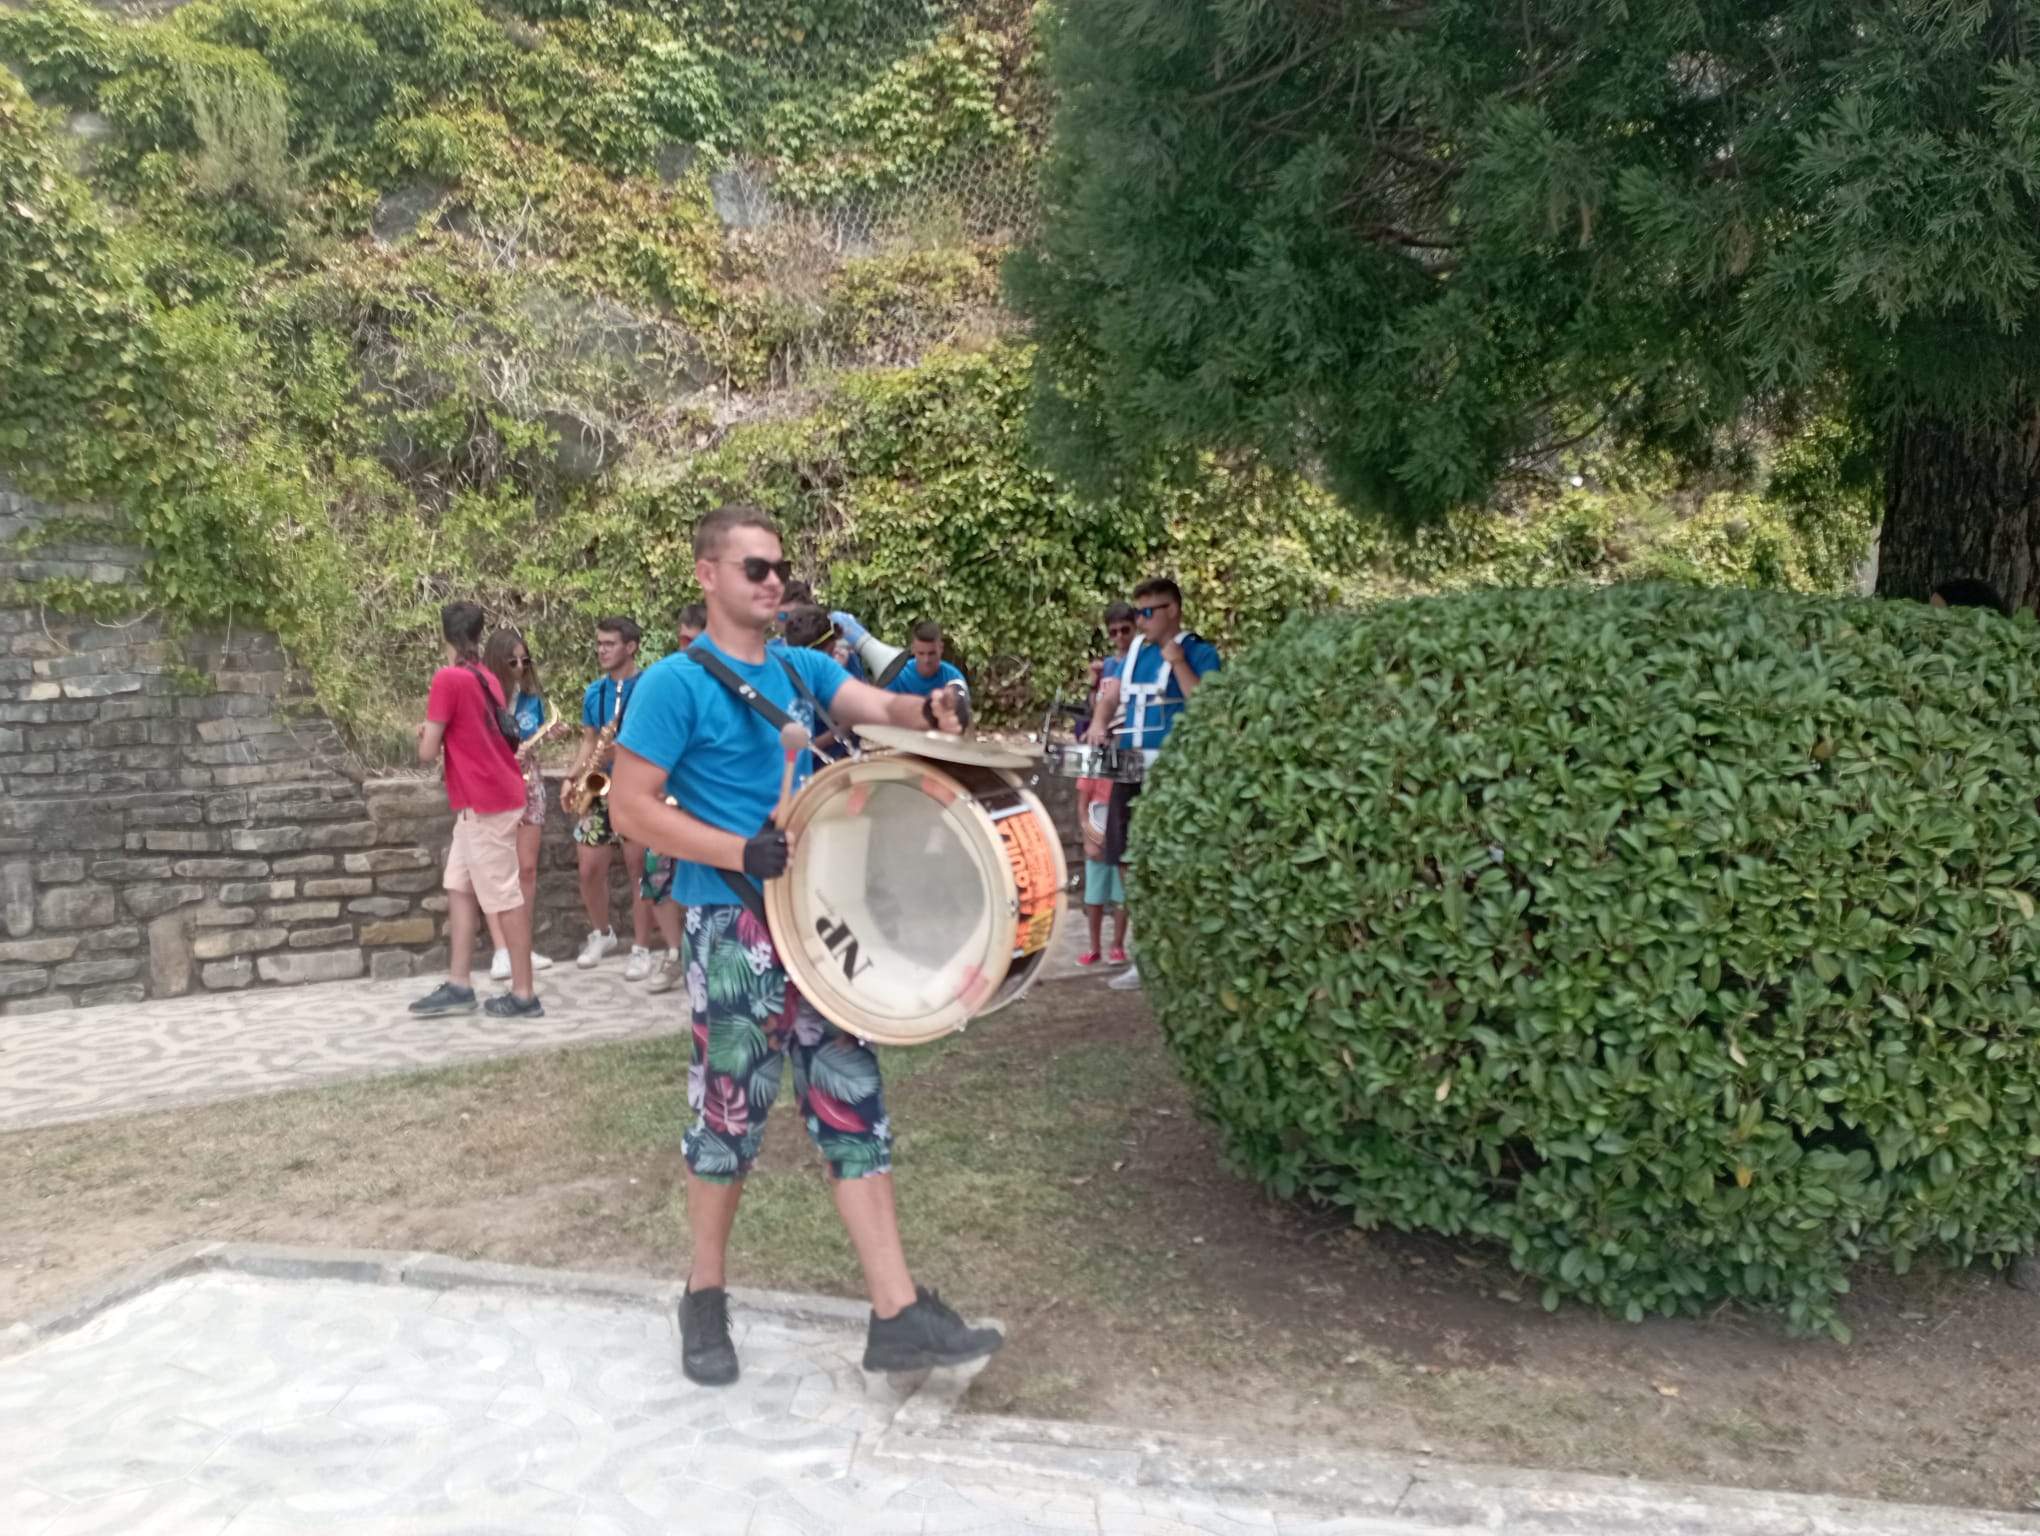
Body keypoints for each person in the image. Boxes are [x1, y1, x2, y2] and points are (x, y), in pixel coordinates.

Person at [608, 501, 999, 1388]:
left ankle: (896, 1314)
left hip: (822, 927)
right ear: (708, 574)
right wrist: (735, 851)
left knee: (852, 1102)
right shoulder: (672, 685)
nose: (773, 580)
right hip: (734, 926)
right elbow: (630, 808)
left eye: (780, 567)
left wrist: (931, 707)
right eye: (756, 567)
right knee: (729, 1117)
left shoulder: (801, 667)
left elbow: (882, 705)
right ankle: (704, 1297)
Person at [1087, 578, 1222, 991]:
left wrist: (1179, 663)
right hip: (1130, 768)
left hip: (1174, 771)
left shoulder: (1200, 652)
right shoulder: (1133, 655)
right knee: (1127, 860)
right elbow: (1111, 697)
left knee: (1173, 863)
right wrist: (1098, 723)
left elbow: (1209, 706)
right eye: (1138, 612)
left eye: (1148, 613)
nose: (1141, 621)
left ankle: (1182, 954)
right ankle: (1144, 954)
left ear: (1172, 610)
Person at [410, 603, 541, 1019]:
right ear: (479, 633)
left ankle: (524, 994)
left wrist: (426, 733)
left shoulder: (448, 678)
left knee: (505, 897)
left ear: (444, 635)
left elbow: (427, 752)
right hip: (487, 798)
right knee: (460, 887)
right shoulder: (487, 677)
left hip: (484, 803)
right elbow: (473, 731)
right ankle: (459, 983)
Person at [563, 617, 667, 979]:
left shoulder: (650, 688)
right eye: (599, 643)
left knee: (639, 868)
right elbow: (589, 740)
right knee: (589, 868)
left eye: (609, 644)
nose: (601, 650)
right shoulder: (595, 692)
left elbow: (660, 738)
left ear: (631, 647)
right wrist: (572, 777)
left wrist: (623, 753)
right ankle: (602, 933)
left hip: (636, 786)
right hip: (600, 787)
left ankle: (641, 948)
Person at [479, 628, 557, 982]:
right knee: (497, 870)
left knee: (527, 869)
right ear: (497, 661)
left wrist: (545, 736)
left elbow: (531, 736)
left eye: (526, 661)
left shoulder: (530, 699)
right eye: (513, 662)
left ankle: (521, 947)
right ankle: (501, 950)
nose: (521, 667)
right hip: (495, 786)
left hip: (529, 785)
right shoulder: (483, 699)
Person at [1074, 771, 1127, 967]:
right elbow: (1082, 808)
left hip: (1121, 836)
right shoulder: (1092, 768)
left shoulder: (1127, 769)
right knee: (1094, 897)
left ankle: (1118, 946)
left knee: (1121, 896)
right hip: (1097, 834)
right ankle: (1094, 948)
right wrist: (1089, 840)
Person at [1078, 601, 1137, 744]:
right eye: (1113, 632)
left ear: (1135, 628)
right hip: (1106, 732)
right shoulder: (1106, 665)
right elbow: (1095, 708)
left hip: (1129, 732)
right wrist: (1094, 682)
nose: (1119, 636)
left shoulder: (1142, 661)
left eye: (1125, 630)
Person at [885, 621, 968, 699]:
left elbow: (962, 709)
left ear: (941, 648)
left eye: (932, 653)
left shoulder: (953, 678)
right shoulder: (898, 675)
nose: (926, 660)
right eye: (921, 653)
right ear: (913, 649)